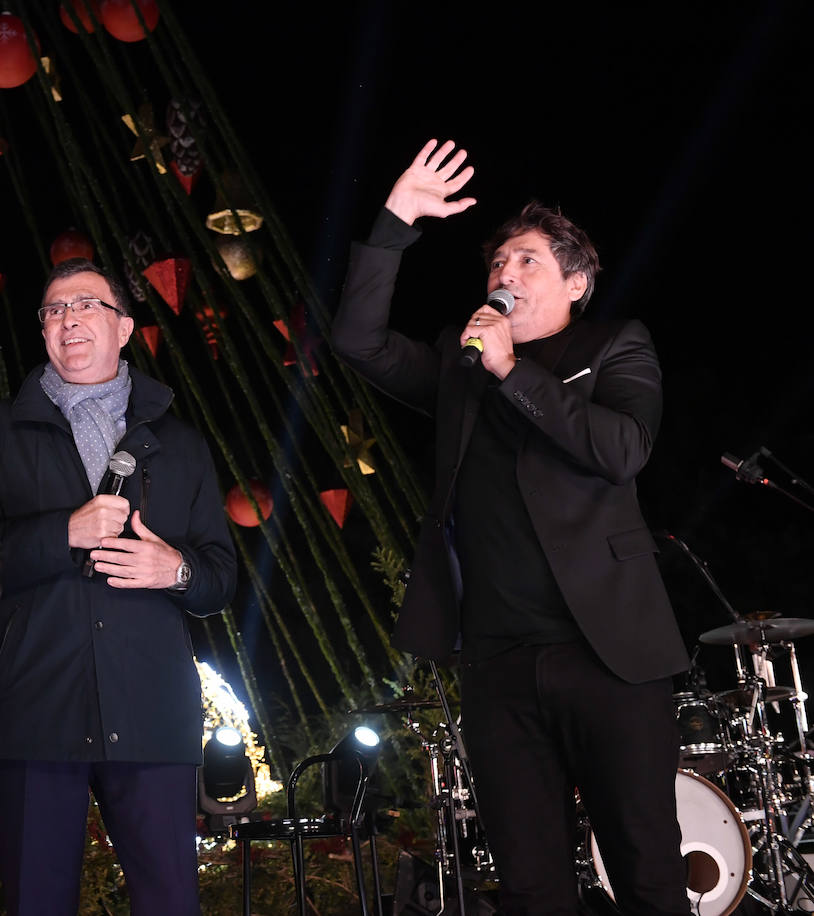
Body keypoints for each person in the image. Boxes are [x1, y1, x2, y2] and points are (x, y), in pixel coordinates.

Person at [332, 140, 690, 915]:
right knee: (530, 887)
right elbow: (355, 341)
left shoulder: (613, 345)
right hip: (496, 661)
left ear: (577, 282)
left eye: (526, 261)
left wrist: (511, 372)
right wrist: (395, 222)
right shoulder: (458, 371)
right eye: (498, 263)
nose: (504, 273)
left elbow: (622, 450)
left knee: (648, 875)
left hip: (607, 656)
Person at [0, 258, 236, 915]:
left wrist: (175, 571)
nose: (68, 320)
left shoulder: (179, 444)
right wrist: (63, 533)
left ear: (124, 329)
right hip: (32, 711)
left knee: (170, 902)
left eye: (85, 305)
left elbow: (220, 578)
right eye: (53, 310)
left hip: (151, 712)